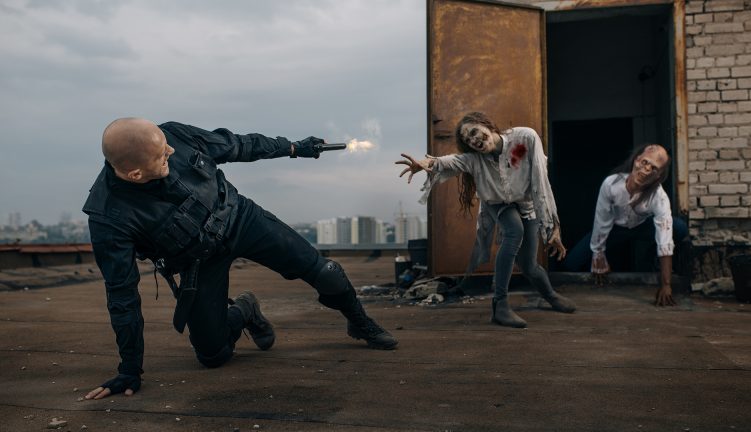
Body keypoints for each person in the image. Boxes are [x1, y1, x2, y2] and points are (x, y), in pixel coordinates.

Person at [82, 118, 397, 400]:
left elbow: (239, 144)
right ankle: (245, 310)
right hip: (198, 260)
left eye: (166, 145)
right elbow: (122, 297)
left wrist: (294, 148)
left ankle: (360, 323)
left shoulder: (174, 136)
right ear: (135, 174)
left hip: (240, 219)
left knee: (326, 272)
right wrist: (130, 369)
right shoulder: (109, 217)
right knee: (212, 355)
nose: (171, 152)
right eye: (162, 155)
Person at [396, 112, 576, 328]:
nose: (473, 140)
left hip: (526, 205)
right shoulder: (474, 159)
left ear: (487, 125)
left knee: (528, 265)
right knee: (514, 231)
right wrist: (423, 163)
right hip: (497, 203)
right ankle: (500, 305)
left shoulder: (525, 138)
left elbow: (541, 179)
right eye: (468, 140)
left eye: (474, 132)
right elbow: (446, 162)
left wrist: (552, 226)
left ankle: (550, 295)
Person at [562, 144, 690, 306]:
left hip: (643, 227)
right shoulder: (611, 184)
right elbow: (601, 221)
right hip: (614, 229)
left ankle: (653, 258)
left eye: (654, 168)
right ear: (636, 160)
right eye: (645, 162)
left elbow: (665, 239)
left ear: (658, 175)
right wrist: (598, 253)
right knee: (571, 262)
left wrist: (666, 284)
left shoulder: (659, 197)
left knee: (679, 228)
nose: (646, 170)